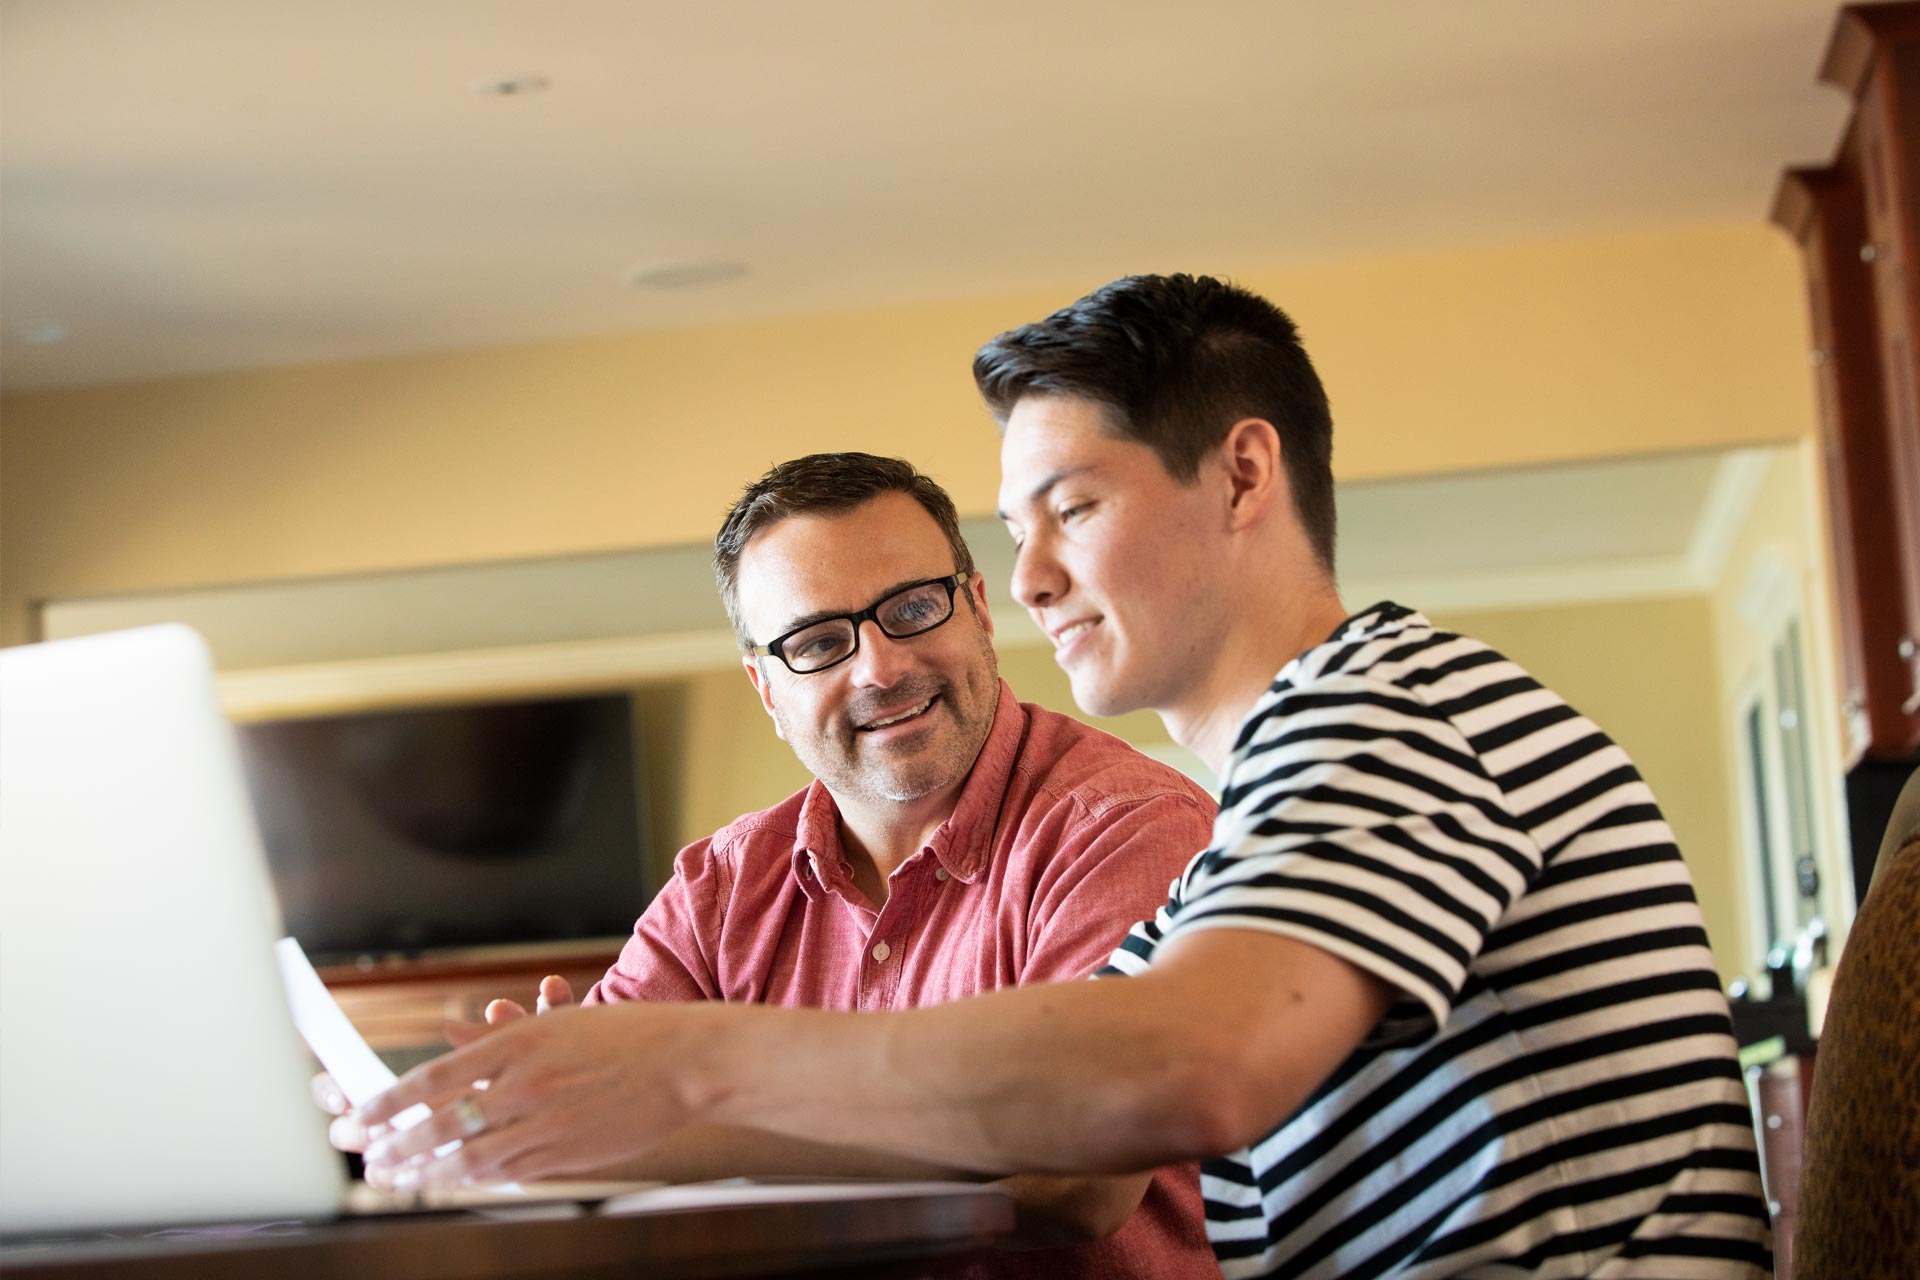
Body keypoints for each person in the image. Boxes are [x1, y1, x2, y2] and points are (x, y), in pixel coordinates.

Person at [361, 277, 1774, 1278]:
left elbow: (1185, 1069)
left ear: (1242, 476)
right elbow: (1074, 1146)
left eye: (1073, 510)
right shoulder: (1267, 816)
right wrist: (575, 1110)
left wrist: (692, 1057)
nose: (1032, 580)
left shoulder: (1391, 714)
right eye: (1018, 532)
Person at [327, 452, 1220, 1278]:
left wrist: (677, 1098)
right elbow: (591, 1131)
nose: (879, 666)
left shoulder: (1128, 828)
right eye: (818, 642)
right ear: (766, 686)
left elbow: (1075, 1174)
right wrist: (514, 1110)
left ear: (978, 610)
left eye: (913, 608)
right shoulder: (720, 887)